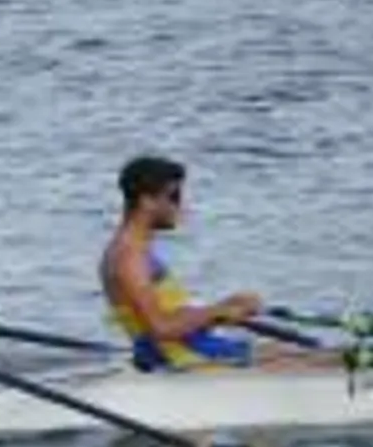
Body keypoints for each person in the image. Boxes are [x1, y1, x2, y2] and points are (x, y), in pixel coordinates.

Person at [100, 155, 262, 371]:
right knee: (313, 362)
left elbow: (173, 316)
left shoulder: (132, 250)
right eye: (173, 196)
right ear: (146, 201)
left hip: (184, 348)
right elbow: (161, 328)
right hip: (178, 357)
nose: (180, 205)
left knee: (289, 352)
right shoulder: (130, 257)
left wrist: (227, 306)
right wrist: (218, 311)